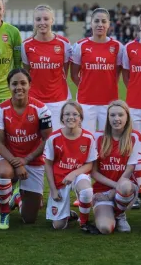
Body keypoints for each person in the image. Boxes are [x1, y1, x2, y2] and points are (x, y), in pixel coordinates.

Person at [0, 68, 52, 230]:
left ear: (30, 85)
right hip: (9, 158)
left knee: (29, 218)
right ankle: (4, 212)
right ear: (9, 86)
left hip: (33, 160)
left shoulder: (42, 110)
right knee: (4, 174)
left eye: (23, 83)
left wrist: (26, 160)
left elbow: (47, 139)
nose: (19, 87)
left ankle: (17, 196)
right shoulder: (0, 110)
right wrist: (18, 164)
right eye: (14, 84)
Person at [44, 100, 99, 234]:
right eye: (67, 114)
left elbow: (90, 164)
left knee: (86, 191)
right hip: (59, 181)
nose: (71, 117)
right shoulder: (54, 138)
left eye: (75, 114)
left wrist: (74, 173)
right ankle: (67, 213)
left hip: (78, 176)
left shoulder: (88, 137)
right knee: (58, 226)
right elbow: (48, 163)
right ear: (62, 117)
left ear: (80, 118)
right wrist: (53, 189)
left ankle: (83, 221)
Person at [92, 100, 141, 234]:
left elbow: (130, 169)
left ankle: (120, 215)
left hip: (125, 187)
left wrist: (116, 189)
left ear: (127, 117)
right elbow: (94, 172)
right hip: (102, 191)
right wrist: (112, 189)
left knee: (125, 186)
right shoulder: (97, 137)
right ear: (107, 118)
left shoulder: (134, 137)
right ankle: (109, 213)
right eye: (112, 115)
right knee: (105, 228)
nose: (116, 119)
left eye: (120, 115)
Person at [71, 8, 123, 134]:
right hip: (86, 101)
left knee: (108, 138)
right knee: (86, 137)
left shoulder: (118, 47)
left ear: (109, 24)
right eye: (97, 21)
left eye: (104, 21)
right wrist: (86, 87)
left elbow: (117, 73)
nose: (100, 24)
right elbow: (73, 74)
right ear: (91, 23)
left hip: (109, 101)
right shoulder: (80, 45)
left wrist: (107, 86)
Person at [21, 4, 72, 131]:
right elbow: (27, 72)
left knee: (57, 137)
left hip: (59, 99)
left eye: (46, 19)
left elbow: (64, 70)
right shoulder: (26, 45)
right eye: (38, 19)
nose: (42, 22)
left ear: (52, 21)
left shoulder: (64, 43)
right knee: (36, 137)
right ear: (33, 22)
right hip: (34, 99)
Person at [121, 9, 141, 209]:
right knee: (136, 150)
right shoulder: (129, 48)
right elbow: (126, 76)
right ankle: (138, 191)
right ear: (139, 25)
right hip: (135, 106)